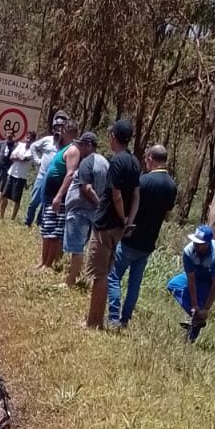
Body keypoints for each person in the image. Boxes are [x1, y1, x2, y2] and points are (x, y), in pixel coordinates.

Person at [107, 145, 177, 327]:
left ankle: (113, 317)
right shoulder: (172, 185)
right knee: (134, 282)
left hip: (131, 236)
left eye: (146, 159)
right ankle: (125, 319)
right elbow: (168, 214)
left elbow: (131, 204)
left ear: (150, 159)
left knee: (113, 276)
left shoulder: (144, 181)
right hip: (148, 241)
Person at [85, 120, 140, 328]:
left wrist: (123, 215)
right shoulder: (135, 162)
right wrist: (129, 220)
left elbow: (116, 195)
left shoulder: (117, 161)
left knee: (99, 276)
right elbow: (136, 195)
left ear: (113, 137)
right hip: (118, 227)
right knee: (106, 274)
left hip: (105, 224)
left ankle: (94, 321)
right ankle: (97, 319)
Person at [167, 225, 215, 343]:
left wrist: (206, 308)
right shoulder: (188, 251)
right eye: (195, 242)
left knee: (203, 303)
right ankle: (196, 317)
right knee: (173, 285)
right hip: (198, 273)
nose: (196, 245)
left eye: (200, 244)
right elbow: (191, 279)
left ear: (208, 243)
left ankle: (190, 339)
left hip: (214, 279)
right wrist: (194, 305)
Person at [62, 132, 108, 286]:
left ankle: (70, 281)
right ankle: (76, 275)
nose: (79, 148)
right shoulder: (105, 163)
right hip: (92, 214)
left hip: (81, 211)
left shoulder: (86, 162)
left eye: (81, 145)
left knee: (76, 248)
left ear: (88, 145)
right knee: (81, 246)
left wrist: (99, 204)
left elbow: (86, 188)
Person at [38, 121, 79, 269]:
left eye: (61, 129)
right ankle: (43, 262)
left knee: (54, 232)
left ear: (67, 131)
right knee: (46, 229)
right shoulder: (63, 148)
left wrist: (59, 195)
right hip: (49, 197)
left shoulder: (73, 150)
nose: (59, 132)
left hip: (57, 198)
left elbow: (70, 174)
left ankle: (48, 264)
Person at [25, 111, 67, 227]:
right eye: (56, 127)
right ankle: (27, 222)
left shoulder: (65, 145)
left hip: (54, 180)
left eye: (61, 127)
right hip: (41, 176)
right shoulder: (47, 140)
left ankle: (40, 223)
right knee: (34, 201)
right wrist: (37, 160)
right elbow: (33, 146)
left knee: (46, 204)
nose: (58, 130)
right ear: (53, 128)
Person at [0, 131, 36, 220]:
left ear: (33, 140)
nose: (28, 140)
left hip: (21, 177)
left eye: (30, 139)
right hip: (11, 173)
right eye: (27, 137)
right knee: (4, 195)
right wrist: (19, 157)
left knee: (16, 199)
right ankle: (1, 216)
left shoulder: (33, 151)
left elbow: (24, 159)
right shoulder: (20, 145)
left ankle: (12, 218)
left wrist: (18, 156)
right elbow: (11, 157)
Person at [0, 132, 15, 205]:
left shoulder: (15, 146)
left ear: (13, 136)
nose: (9, 135)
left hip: (6, 169)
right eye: (8, 133)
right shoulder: (1, 143)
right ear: (5, 134)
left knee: (3, 188)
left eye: (11, 133)